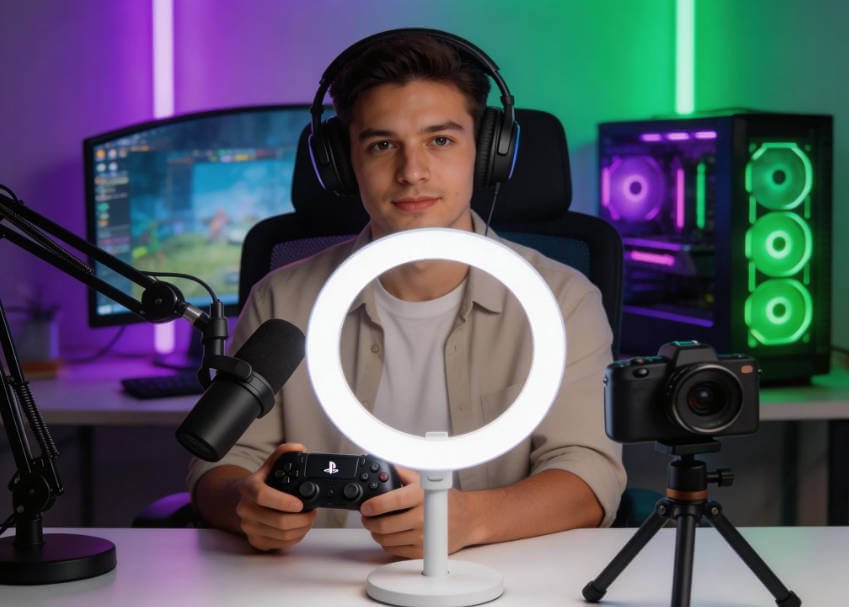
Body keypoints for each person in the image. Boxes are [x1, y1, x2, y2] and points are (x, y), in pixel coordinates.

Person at [188, 29, 626, 558]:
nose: (411, 172)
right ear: (341, 163)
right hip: (310, 584)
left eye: (440, 140)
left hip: (496, 583)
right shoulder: (283, 299)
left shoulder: (560, 299)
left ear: (488, 152)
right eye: (381, 145)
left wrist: (464, 520)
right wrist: (245, 504)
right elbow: (221, 465)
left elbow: (589, 475)